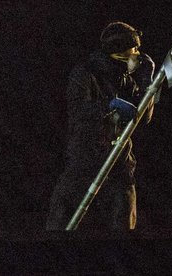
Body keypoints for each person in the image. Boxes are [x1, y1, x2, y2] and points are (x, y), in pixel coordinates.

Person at [46, 21, 155, 230]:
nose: (137, 54)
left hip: (119, 160)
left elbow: (144, 117)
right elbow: (78, 111)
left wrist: (146, 80)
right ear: (119, 50)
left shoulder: (127, 79)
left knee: (123, 219)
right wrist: (108, 107)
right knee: (63, 218)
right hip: (85, 158)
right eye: (134, 49)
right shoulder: (86, 73)